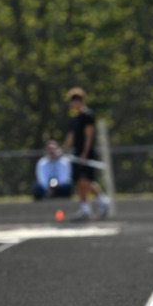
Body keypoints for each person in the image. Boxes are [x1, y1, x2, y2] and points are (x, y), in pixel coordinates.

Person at [62, 87, 110, 221]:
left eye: (76, 100)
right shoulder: (74, 119)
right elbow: (71, 137)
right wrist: (64, 149)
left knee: (85, 180)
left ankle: (103, 199)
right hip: (76, 153)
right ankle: (85, 209)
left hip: (86, 153)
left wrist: (84, 153)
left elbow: (89, 136)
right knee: (79, 182)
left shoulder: (88, 116)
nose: (74, 103)